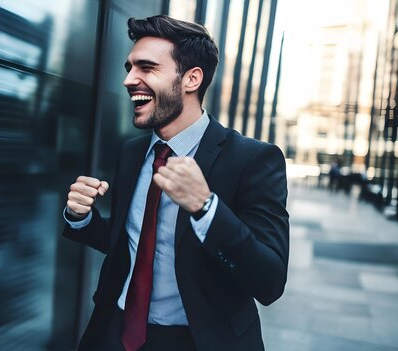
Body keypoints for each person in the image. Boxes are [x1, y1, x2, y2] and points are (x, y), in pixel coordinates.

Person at [62, 15, 289, 351]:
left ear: (191, 79)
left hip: (199, 341)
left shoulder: (253, 160)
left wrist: (206, 208)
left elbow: (269, 280)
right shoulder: (132, 152)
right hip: (115, 332)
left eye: (146, 67)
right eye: (129, 67)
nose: (128, 80)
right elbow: (131, 242)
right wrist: (81, 217)